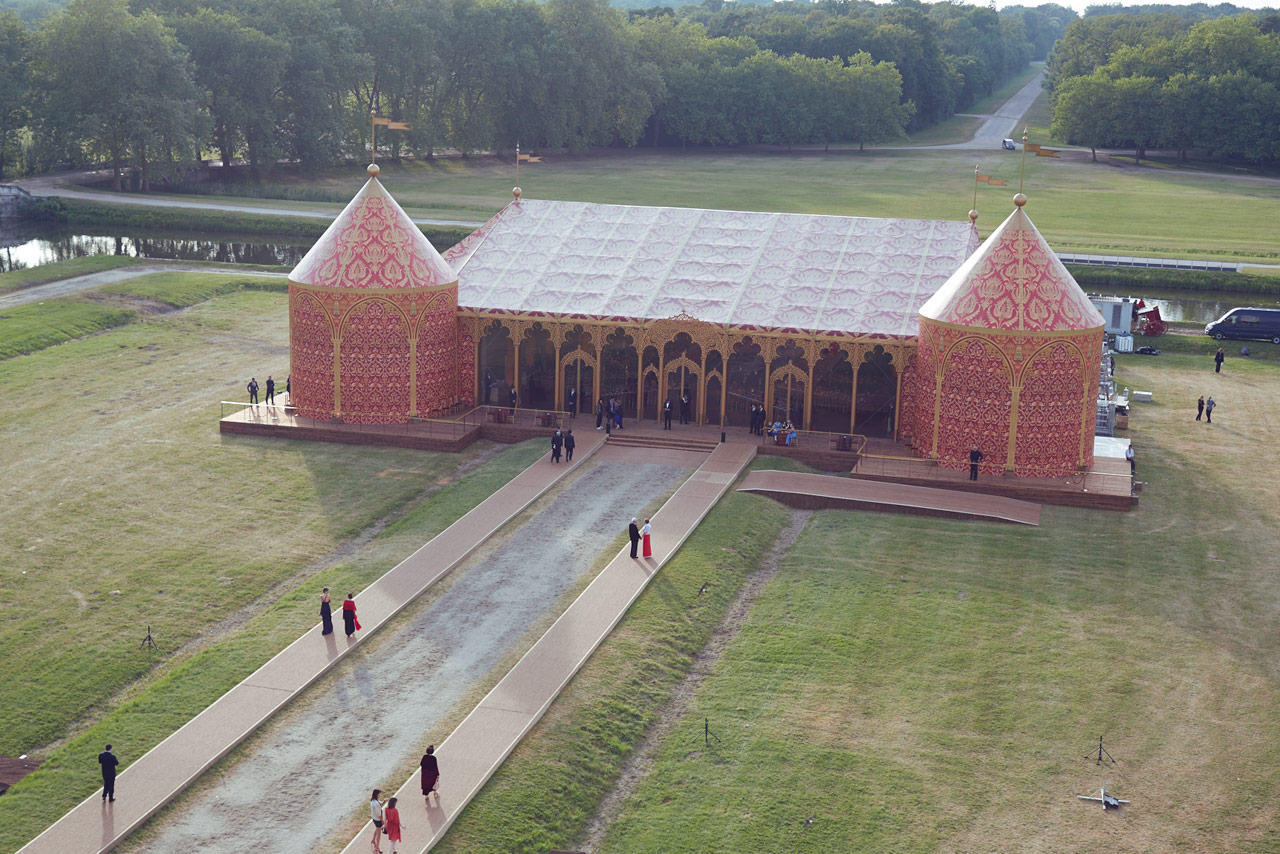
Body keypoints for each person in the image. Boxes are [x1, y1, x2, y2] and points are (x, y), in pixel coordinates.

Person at [369, 789, 385, 853]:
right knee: (379, 834)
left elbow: (380, 804)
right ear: (377, 794)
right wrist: (382, 821)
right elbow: (379, 814)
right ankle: (377, 847)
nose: (380, 795)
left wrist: (384, 802)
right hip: (378, 820)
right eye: (379, 794)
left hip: (374, 818)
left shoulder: (372, 801)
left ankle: (373, 840)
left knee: (377, 829)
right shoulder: (376, 804)